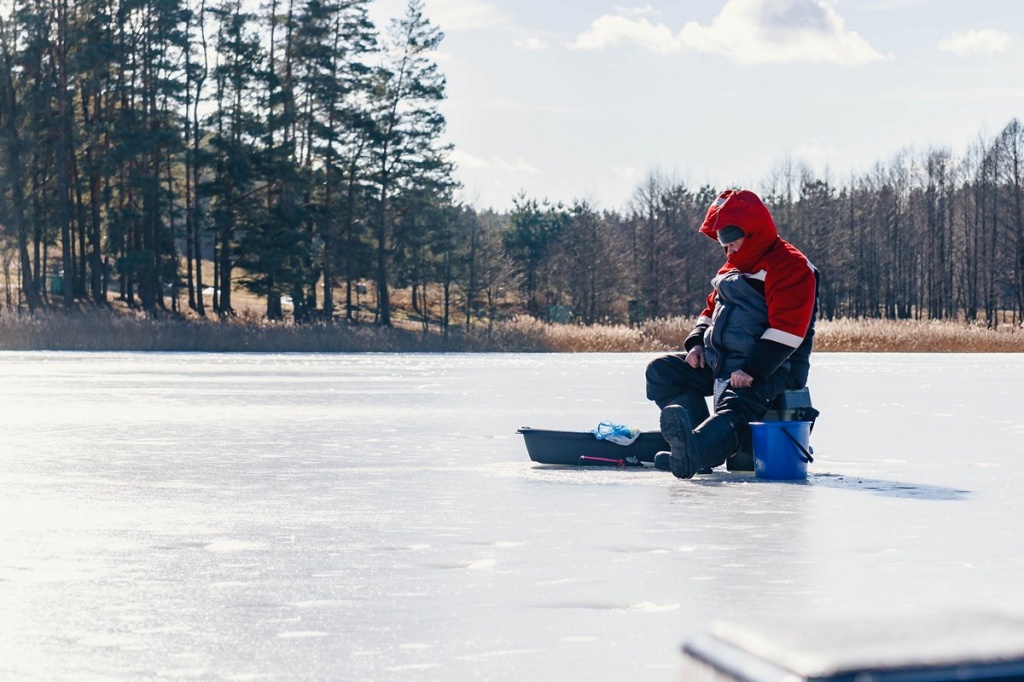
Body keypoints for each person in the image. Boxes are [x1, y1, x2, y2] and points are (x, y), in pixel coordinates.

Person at [645, 189, 819, 479]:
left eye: (731, 242)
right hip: (723, 361)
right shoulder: (731, 267)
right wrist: (697, 345)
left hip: (774, 368)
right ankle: (693, 439)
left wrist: (753, 369)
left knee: (738, 401)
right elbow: (709, 310)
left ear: (751, 233)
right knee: (662, 371)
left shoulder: (790, 266)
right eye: (723, 244)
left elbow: (789, 330)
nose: (728, 251)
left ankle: (696, 451)